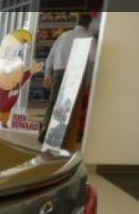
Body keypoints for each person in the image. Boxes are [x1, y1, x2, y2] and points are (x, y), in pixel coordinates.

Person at [38, 13, 97, 143]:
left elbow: (51, 56)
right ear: (89, 24)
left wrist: (47, 74)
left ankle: (45, 130)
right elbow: (93, 62)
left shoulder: (63, 36)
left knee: (53, 103)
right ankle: (63, 136)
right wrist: (88, 81)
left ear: (77, 21)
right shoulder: (89, 37)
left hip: (58, 72)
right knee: (70, 106)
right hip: (76, 73)